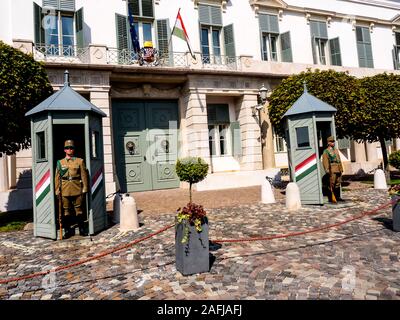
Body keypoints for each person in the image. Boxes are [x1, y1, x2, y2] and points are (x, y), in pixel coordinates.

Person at [55, 140, 89, 237]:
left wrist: (85, 187)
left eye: (71, 148)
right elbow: (57, 177)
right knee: (66, 211)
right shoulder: (60, 163)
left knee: (79, 210)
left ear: (73, 149)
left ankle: (82, 229)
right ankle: (67, 231)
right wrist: (57, 189)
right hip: (65, 189)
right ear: (64, 150)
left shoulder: (80, 161)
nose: (69, 150)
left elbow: (84, 175)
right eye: (67, 148)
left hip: (77, 188)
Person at [322, 136, 344, 203]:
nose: (333, 143)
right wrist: (327, 169)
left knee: (338, 183)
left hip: (338, 168)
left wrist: (341, 168)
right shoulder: (326, 151)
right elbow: (325, 161)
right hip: (332, 169)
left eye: (333, 141)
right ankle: (331, 197)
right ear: (328, 143)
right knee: (332, 183)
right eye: (331, 141)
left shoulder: (336, 150)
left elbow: (339, 160)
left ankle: (337, 197)